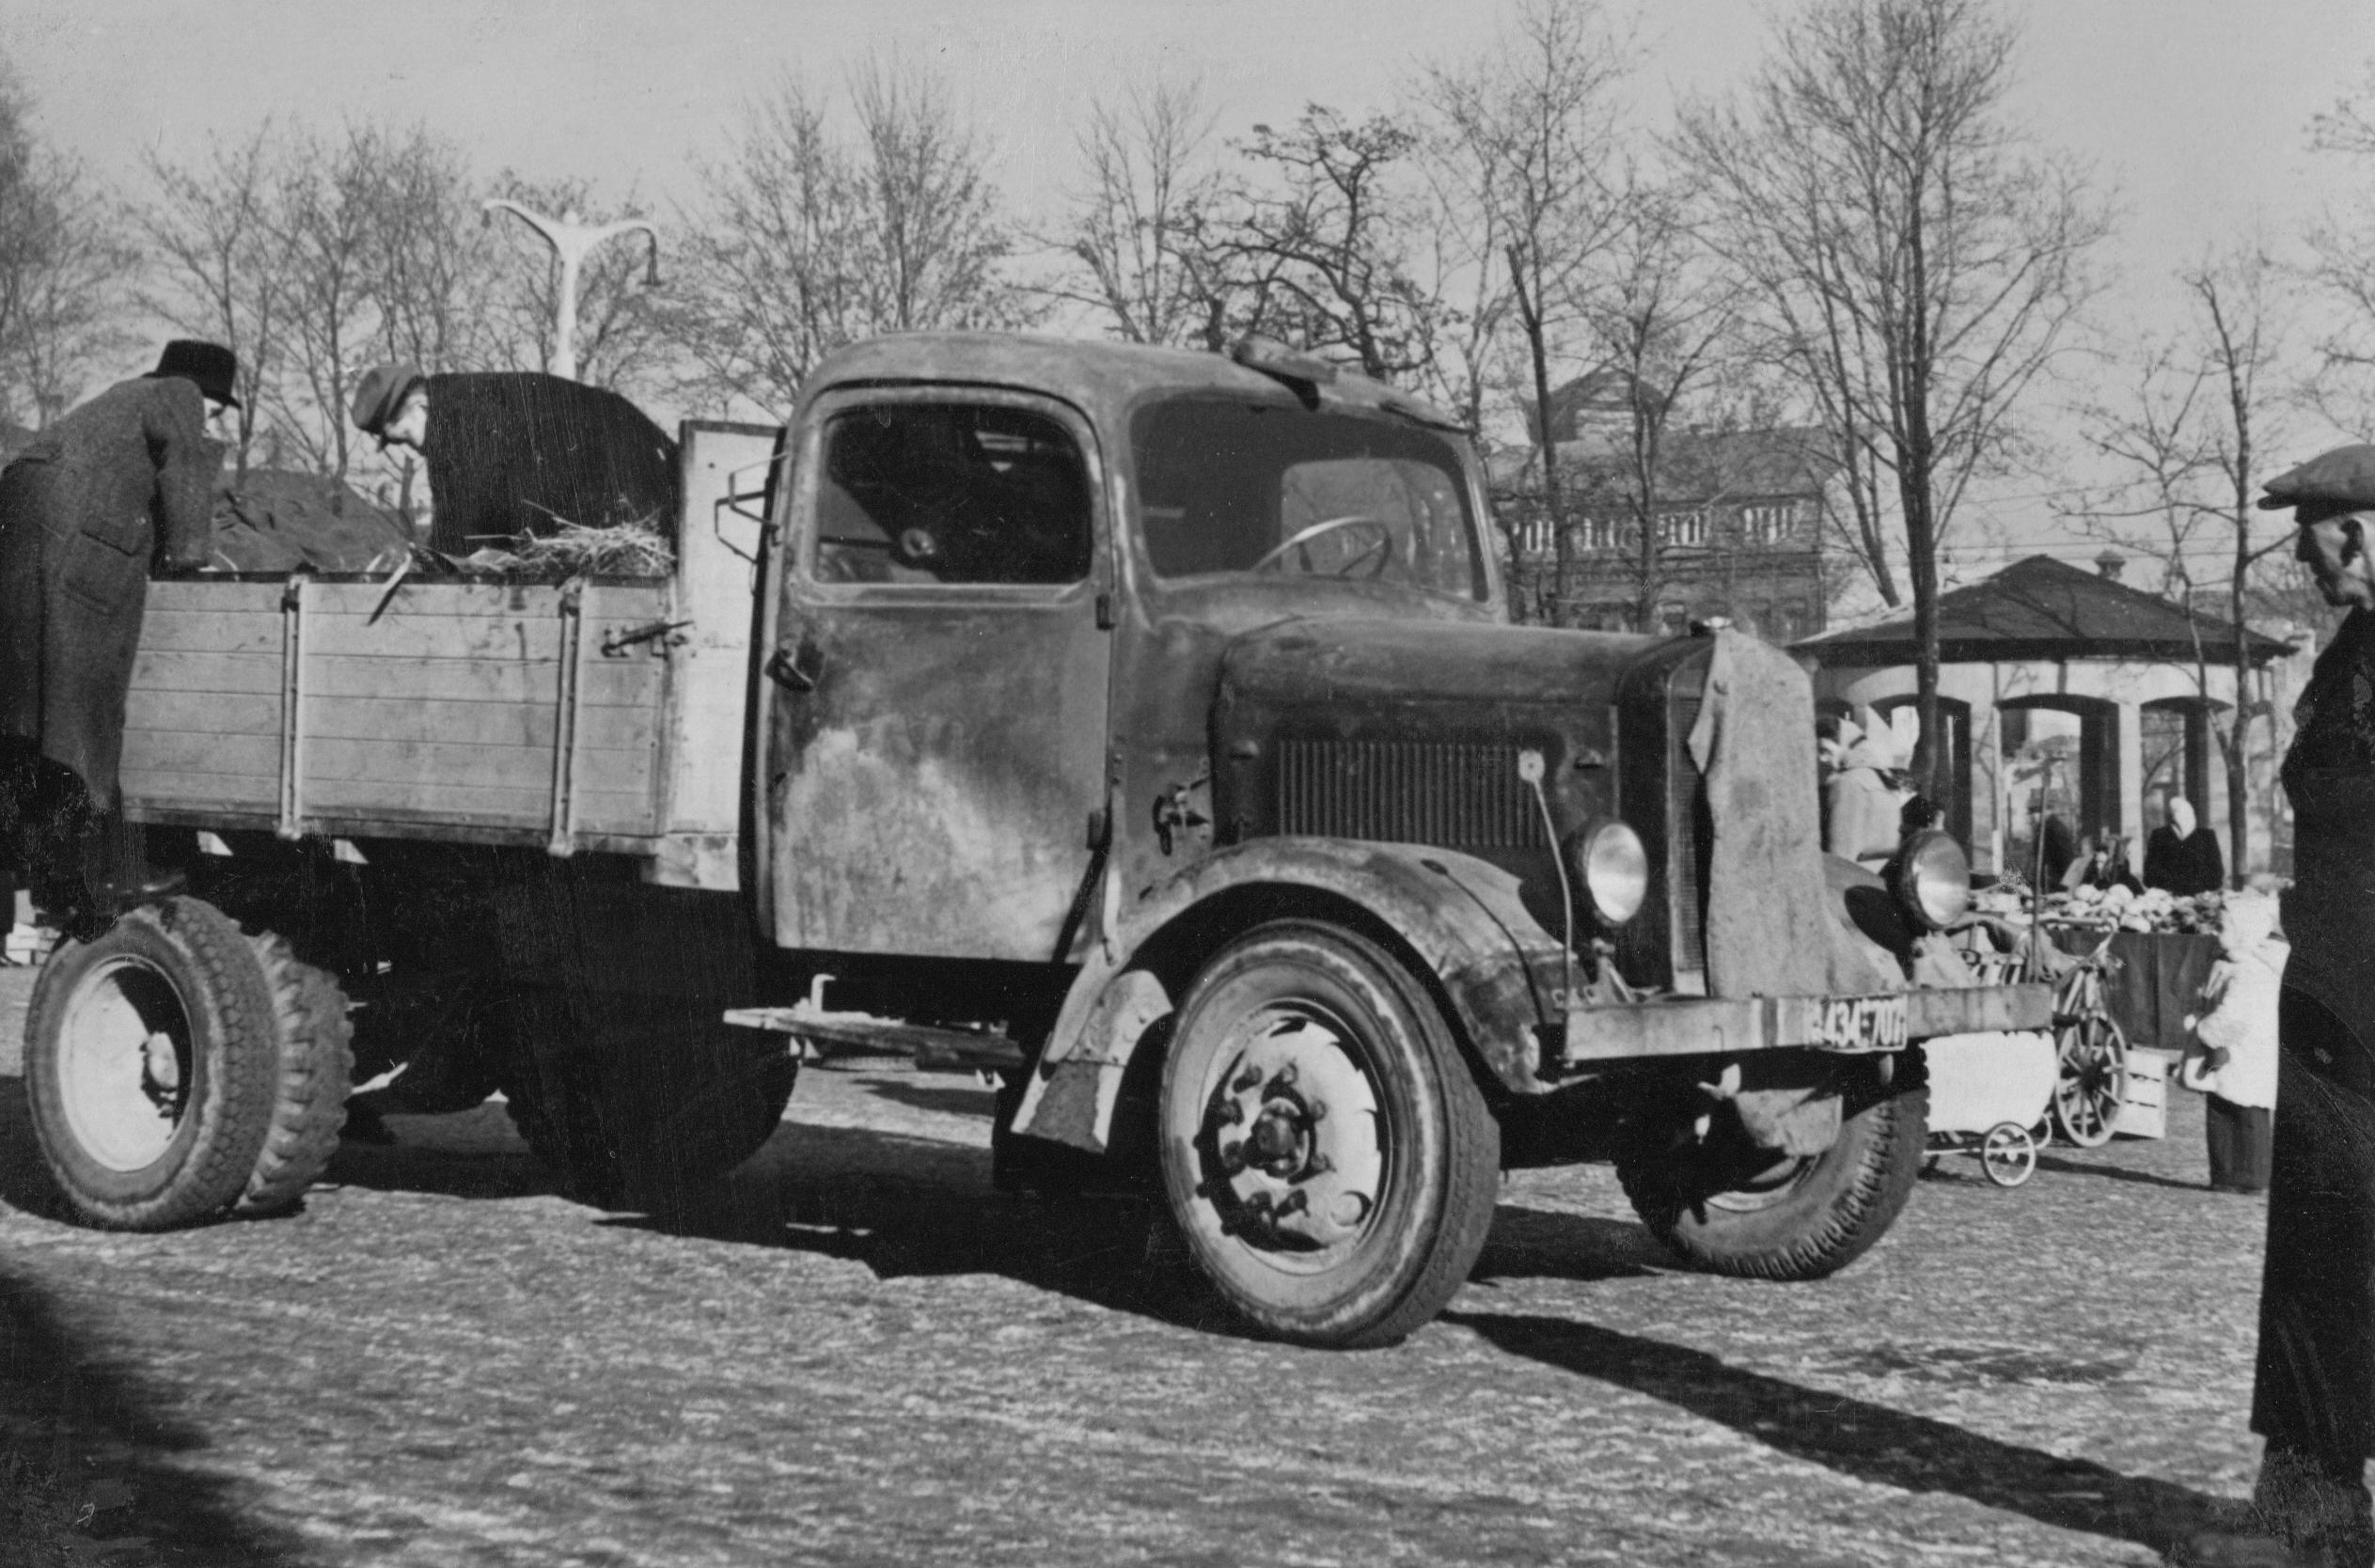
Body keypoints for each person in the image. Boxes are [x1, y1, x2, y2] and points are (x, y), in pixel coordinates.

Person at [2180, 443, 2375, 1568]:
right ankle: (2313, 1515)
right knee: (2317, 1252)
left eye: (2318, 542)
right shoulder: (2354, 653)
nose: (2309, 563)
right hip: (2333, 1004)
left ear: (2360, 532)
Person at [0, 340, 235, 931]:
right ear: (204, 392)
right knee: (91, 707)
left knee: (36, 713)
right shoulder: (178, 393)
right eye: (220, 408)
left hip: (21, 539)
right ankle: (111, 873)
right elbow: (183, 462)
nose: (217, 420)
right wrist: (192, 556)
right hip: (79, 549)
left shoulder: (114, 405)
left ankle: (58, 875)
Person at [350, 364, 678, 557]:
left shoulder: (460, 419)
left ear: (420, 405)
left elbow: (462, 525)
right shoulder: (461, 403)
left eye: (404, 437)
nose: (411, 451)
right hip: (630, 462)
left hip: (624, 474)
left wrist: (436, 568)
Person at [2182, 888, 2284, 1194]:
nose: (2217, 932)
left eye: (2224, 927)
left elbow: (2234, 1016)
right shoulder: (2229, 963)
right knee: (2222, 1108)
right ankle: (2226, 1173)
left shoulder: (2251, 971)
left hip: (2242, 1052)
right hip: (2229, 1052)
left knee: (2246, 1112)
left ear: (2243, 931)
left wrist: (2204, 1030)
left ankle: (2251, 1176)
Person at [2147, 793, 2227, 896]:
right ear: (2172, 816)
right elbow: (2150, 876)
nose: (2182, 817)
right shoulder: (2159, 836)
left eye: (2186, 813)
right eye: (2177, 813)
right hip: (2169, 900)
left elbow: (2216, 874)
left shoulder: (2207, 837)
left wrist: (2201, 892)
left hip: (2201, 900)